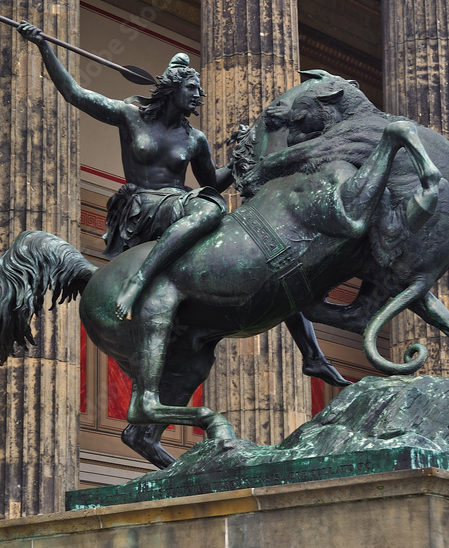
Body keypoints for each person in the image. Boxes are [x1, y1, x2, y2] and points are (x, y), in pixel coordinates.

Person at [17, 21, 348, 387]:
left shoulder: (195, 138)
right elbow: (76, 94)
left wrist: (243, 157)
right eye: (191, 89)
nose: (197, 97)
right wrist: (44, 48)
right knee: (211, 209)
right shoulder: (132, 117)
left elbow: (213, 181)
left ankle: (312, 355)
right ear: (173, 89)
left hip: (179, 208)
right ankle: (137, 282)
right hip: (145, 207)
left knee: (266, 251)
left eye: (199, 92)